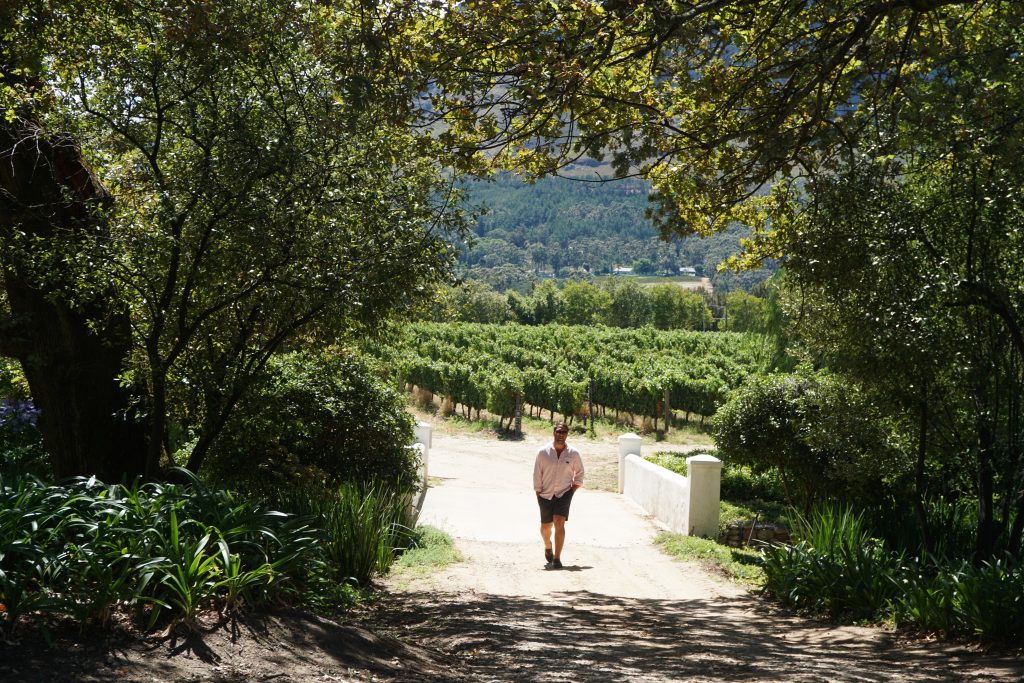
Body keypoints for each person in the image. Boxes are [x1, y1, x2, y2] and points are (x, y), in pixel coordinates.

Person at [533, 422, 584, 569]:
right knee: (546, 526)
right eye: (559, 431)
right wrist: (538, 490)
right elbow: (537, 472)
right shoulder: (543, 452)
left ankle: (557, 558)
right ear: (554, 432)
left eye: (564, 432)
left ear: (567, 434)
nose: (561, 434)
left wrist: (573, 489)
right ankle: (547, 545)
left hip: (564, 493)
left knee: (559, 522)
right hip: (545, 493)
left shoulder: (573, 453)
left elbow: (579, 472)